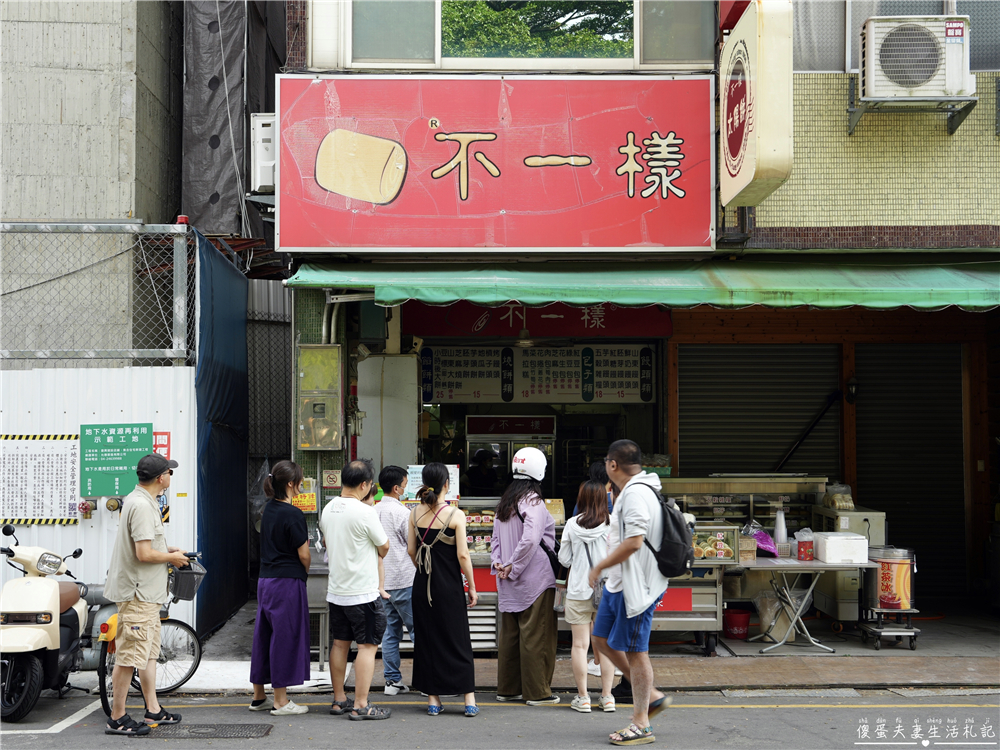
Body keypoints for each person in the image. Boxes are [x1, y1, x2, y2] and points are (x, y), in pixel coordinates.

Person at [587, 440, 671, 746]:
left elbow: (635, 542)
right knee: (600, 639)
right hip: (618, 583)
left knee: (636, 652)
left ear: (612, 465)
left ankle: (641, 723)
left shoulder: (636, 494)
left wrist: (599, 566)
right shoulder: (634, 490)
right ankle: (651, 695)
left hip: (636, 588)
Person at [104, 453, 189, 736]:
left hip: (147, 595)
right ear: (159, 478)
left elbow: (148, 546)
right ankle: (117, 717)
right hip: (137, 594)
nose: (170, 477)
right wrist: (172, 559)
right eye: (169, 473)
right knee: (129, 656)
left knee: (148, 654)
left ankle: (153, 709)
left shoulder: (143, 501)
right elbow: (143, 553)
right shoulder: (140, 505)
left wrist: (170, 551)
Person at [319, 459, 392, 721]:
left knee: (340, 644)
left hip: (336, 591)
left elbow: (327, 542)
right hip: (362, 593)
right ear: (364, 485)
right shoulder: (365, 512)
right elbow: (384, 548)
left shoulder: (328, 509)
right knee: (367, 646)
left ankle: (339, 700)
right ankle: (362, 704)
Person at [407, 463, 479, 716]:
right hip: (449, 587)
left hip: (422, 585)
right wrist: (471, 585)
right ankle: (468, 699)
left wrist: (425, 566)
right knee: (458, 639)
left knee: (428, 641)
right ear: (446, 484)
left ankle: (433, 700)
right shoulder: (455, 515)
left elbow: (411, 551)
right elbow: (463, 555)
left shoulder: (414, 513)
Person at [490, 447, 558, 706]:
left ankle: (508, 689)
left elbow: (495, 539)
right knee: (536, 634)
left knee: (510, 635)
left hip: (506, 579)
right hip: (535, 578)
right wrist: (514, 566)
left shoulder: (505, 501)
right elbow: (531, 539)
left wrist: (500, 564)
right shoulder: (533, 501)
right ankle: (537, 692)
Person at [249, 460, 312, 716]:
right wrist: (303, 574)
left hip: (266, 581)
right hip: (287, 582)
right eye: (299, 481)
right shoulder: (293, 513)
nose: (302, 485)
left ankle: (259, 696)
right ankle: (281, 701)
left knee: (264, 636)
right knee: (285, 638)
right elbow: (304, 555)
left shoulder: (268, 509)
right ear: (290, 484)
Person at [558, 480, 614, 714]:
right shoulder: (613, 525)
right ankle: (607, 697)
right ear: (604, 499)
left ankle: (583, 698)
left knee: (580, 646)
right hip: (607, 591)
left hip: (579, 590)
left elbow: (564, 559)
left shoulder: (571, 524)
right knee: (608, 646)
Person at [375, 465, 417, 696]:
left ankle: (392, 681)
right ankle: (425, 680)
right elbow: (411, 546)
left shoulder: (373, 510)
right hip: (403, 579)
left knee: (390, 633)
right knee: (418, 631)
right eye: (404, 484)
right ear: (396, 488)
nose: (406, 488)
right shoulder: (402, 513)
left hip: (381, 583)